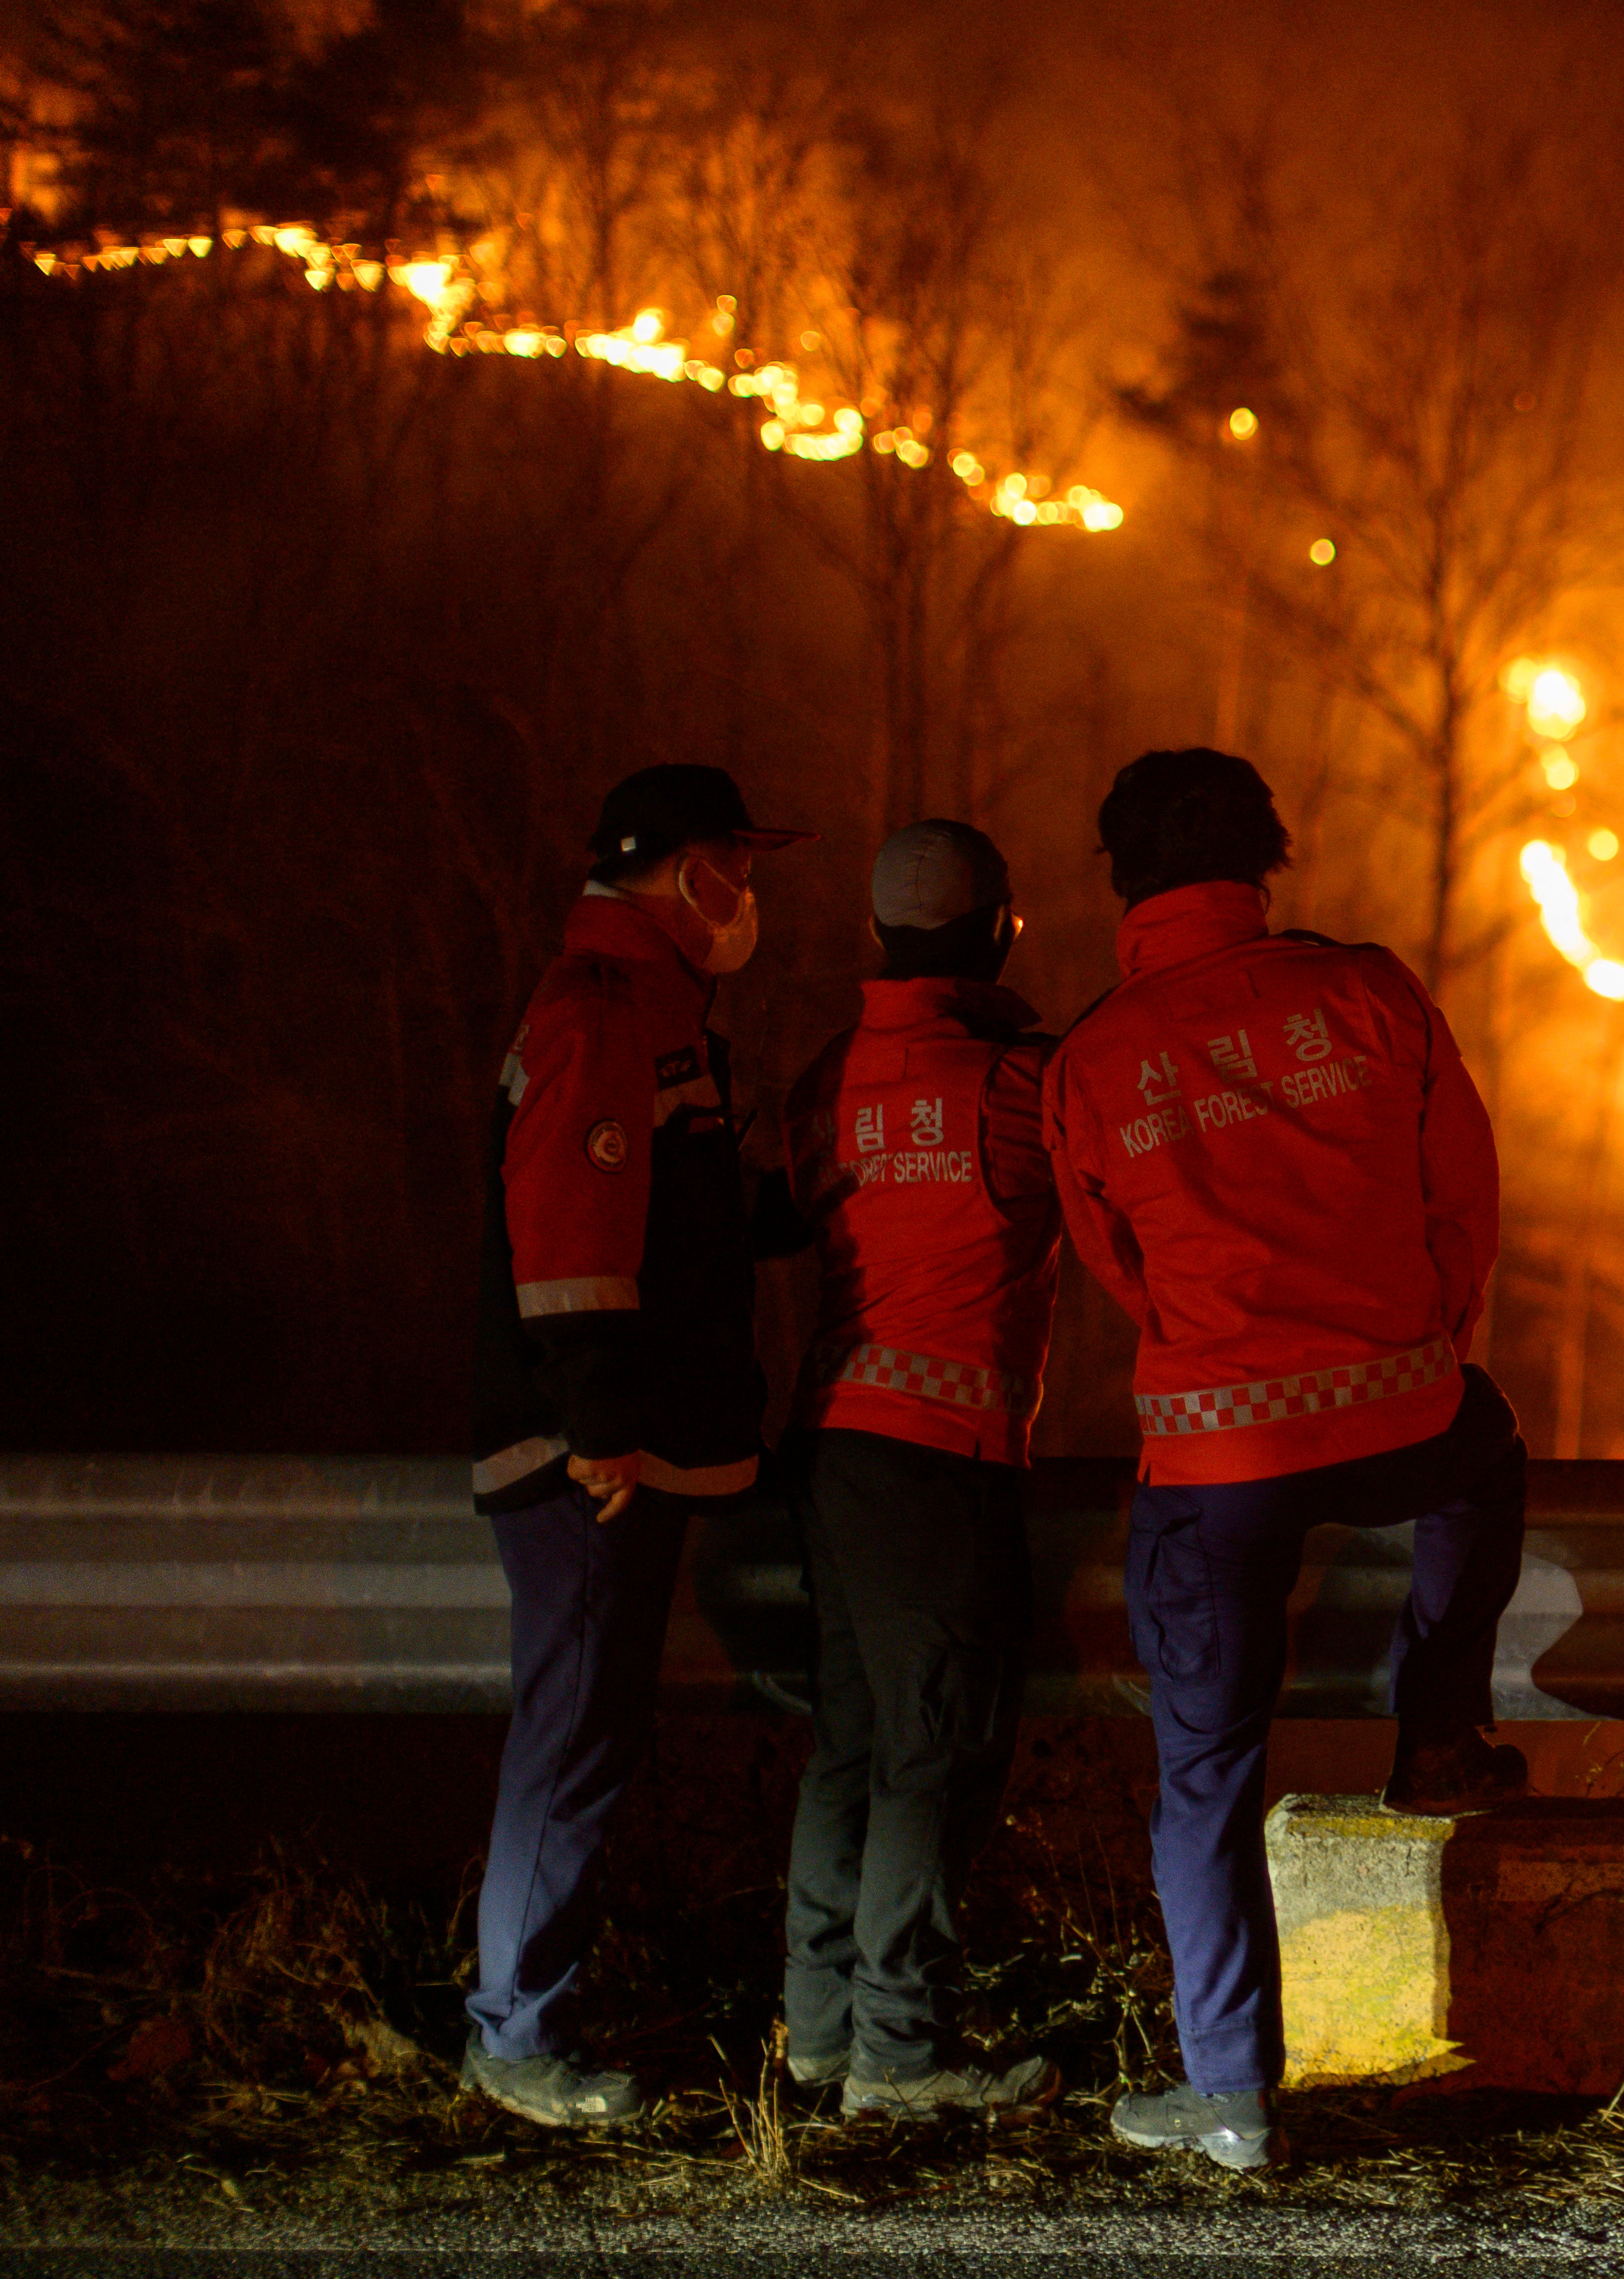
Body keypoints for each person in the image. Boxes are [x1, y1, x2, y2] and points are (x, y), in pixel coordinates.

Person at [1044, 749, 1527, 2171]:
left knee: (1205, 1771)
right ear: (1269, 860)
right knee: (1480, 1456)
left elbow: (1112, 1266)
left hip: (1217, 1453)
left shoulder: (1090, 1060)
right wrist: (1421, 1340)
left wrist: (1223, 1361)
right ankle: (1437, 1732)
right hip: (1399, 1410)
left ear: (1121, 881)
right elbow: (1466, 1189)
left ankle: (1233, 2094)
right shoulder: (1365, 989)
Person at [466, 764, 807, 2127]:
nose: (750, 895)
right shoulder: (605, 1012)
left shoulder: (650, 1009)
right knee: (572, 1741)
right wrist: (601, 1427)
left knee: (587, 1737)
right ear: (684, 874)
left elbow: (672, 1219)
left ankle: (524, 2023)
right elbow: (572, 1237)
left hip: (616, 1448)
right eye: (738, 863)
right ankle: (518, 2040)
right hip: (587, 1460)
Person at [770, 820, 1063, 2120]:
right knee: (934, 1751)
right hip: (943, 1459)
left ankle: (821, 2030)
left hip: (833, 1450)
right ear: (1000, 927)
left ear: (878, 937)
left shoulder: (823, 1082)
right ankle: (900, 2051)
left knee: (852, 1742)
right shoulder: (1015, 1091)